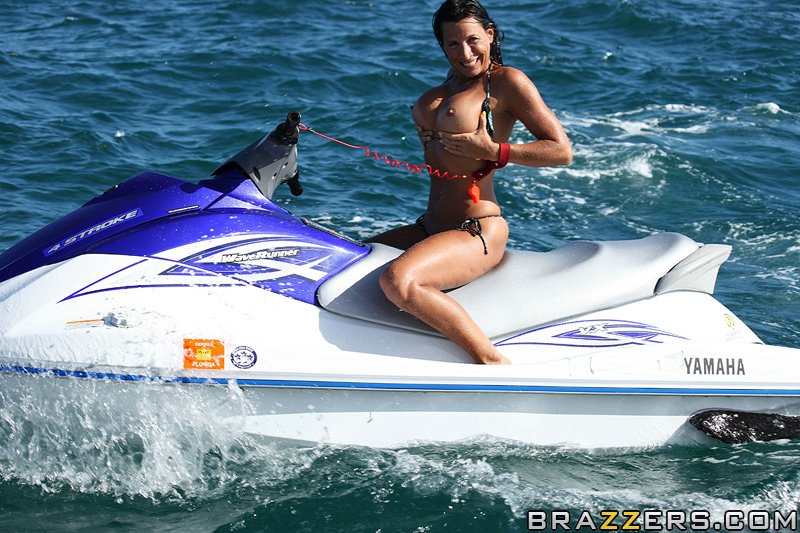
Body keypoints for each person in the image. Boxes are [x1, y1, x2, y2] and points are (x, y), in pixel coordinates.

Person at [366, 0, 572, 364]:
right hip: (430, 226)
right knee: (343, 257)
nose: (465, 52)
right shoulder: (451, 83)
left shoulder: (507, 82)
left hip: (475, 230)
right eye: (453, 44)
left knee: (399, 281)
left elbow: (560, 151)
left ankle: (493, 362)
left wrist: (493, 150)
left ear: (490, 35)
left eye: (473, 40)